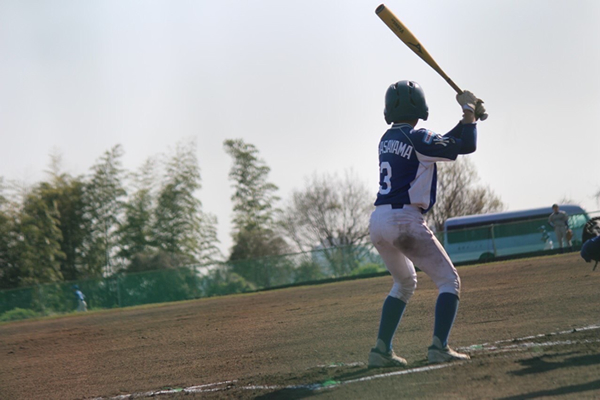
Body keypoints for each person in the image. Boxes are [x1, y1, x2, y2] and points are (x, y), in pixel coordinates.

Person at [368, 80, 486, 367]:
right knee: (449, 280)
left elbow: (443, 142)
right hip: (403, 220)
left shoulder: (387, 138)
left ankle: (381, 350)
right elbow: (466, 145)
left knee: (404, 283)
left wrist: (469, 117)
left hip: (379, 220)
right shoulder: (418, 137)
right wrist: (468, 113)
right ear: (420, 107)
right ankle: (439, 347)